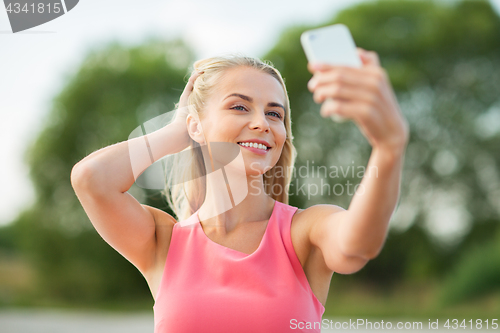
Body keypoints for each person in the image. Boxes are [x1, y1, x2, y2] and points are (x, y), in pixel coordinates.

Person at [71, 48, 409, 333]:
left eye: (275, 113)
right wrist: (177, 133)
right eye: (239, 106)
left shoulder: (305, 233)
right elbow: (91, 179)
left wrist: (389, 147)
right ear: (195, 124)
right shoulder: (163, 242)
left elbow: (358, 245)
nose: (263, 122)